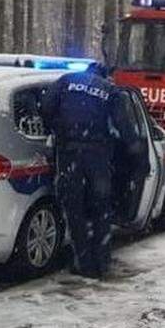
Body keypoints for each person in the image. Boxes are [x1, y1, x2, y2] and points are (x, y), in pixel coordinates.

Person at [40, 63, 120, 278]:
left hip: (69, 153)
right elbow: (122, 125)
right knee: (100, 209)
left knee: (74, 208)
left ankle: (82, 261)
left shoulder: (66, 80)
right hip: (98, 156)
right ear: (104, 74)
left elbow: (46, 107)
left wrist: (56, 129)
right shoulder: (110, 90)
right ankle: (101, 263)